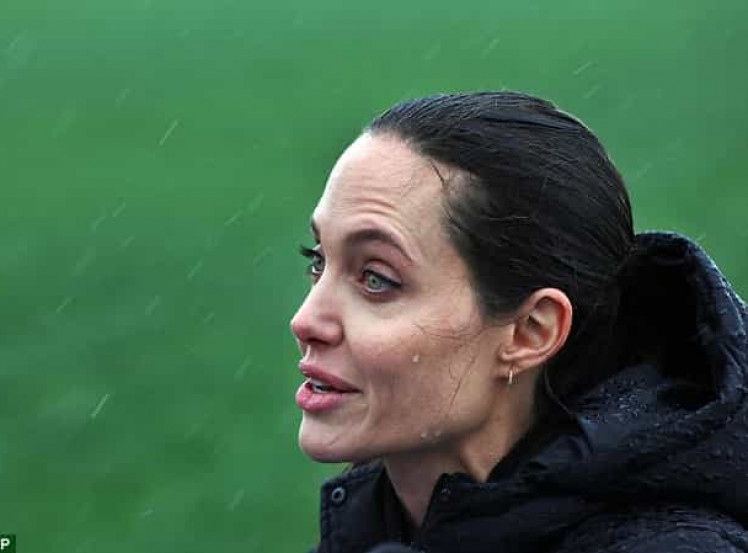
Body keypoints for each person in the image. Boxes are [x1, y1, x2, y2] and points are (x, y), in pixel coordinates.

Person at [289, 91, 748, 553]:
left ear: (532, 331)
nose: (305, 321)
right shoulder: (373, 526)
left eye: (376, 279)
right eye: (318, 260)